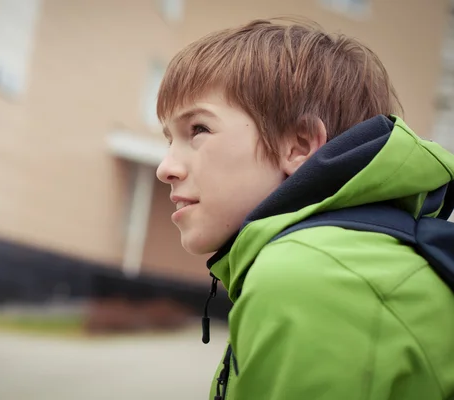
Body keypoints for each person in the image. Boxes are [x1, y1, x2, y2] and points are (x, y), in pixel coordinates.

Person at [155, 18, 454, 400]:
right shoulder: (348, 259)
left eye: (198, 129)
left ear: (298, 146)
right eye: (169, 139)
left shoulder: (310, 278)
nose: (166, 168)